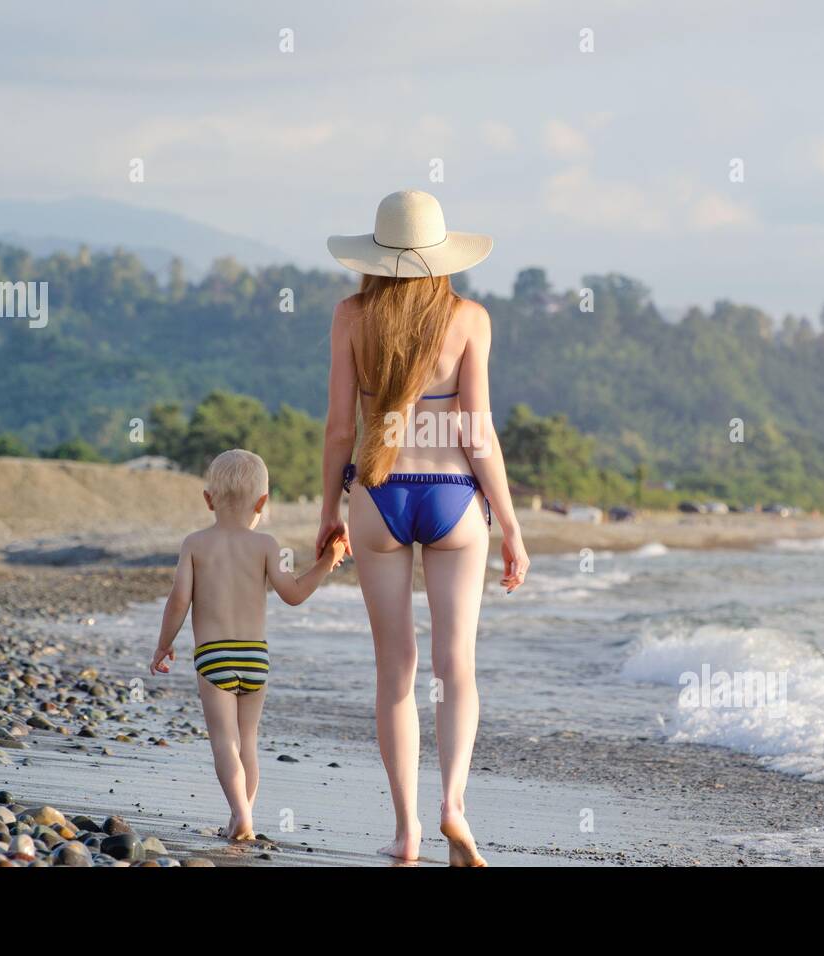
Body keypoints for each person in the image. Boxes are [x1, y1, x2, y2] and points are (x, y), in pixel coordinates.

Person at [318, 190, 529, 866]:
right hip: (454, 499)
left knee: (396, 672)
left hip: (378, 497)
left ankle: (407, 832)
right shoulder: (470, 319)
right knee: (455, 665)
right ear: (442, 256)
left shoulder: (351, 317)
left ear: (374, 256)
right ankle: (453, 806)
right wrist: (513, 526)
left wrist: (327, 512)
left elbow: (340, 428)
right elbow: (478, 432)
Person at [151, 448, 347, 841]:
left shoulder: (195, 544)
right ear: (262, 502)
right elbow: (292, 594)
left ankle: (240, 815)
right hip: (255, 657)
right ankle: (244, 816)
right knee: (248, 742)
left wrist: (164, 645)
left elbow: (179, 600)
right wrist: (327, 562)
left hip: (214, 657)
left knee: (224, 741)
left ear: (208, 499)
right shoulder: (267, 545)